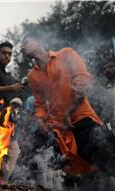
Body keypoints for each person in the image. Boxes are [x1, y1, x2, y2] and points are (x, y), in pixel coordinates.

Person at [21, 36, 115, 176]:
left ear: (38, 41)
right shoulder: (32, 76)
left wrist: (68, 113)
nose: (22, 48)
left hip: (80, 116)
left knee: (105, 155)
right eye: (22, 47)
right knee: (32, 152)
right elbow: (40, 104)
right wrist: (40, 121)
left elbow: (82, 82)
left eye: (26, 43)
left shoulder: (66, 54)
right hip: (56, 126)